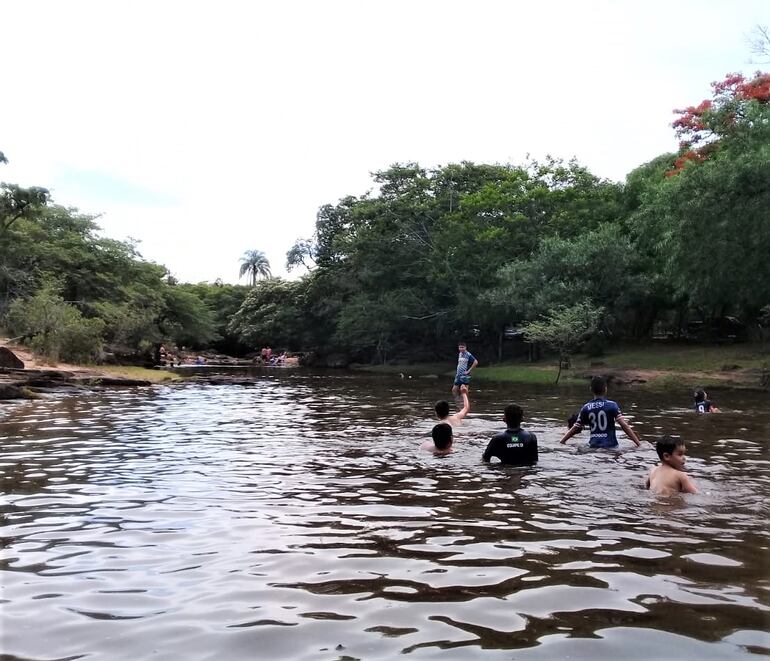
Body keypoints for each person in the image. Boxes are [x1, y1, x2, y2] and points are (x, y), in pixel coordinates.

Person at [560, 375, 641, 449]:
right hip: (611, 446)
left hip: (593, 446)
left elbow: (575, 427)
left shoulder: (586, 407)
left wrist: (562, 441)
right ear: (606, 389)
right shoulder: (612, 405)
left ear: (590, 389)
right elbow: (624, 425)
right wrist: (638, 444)